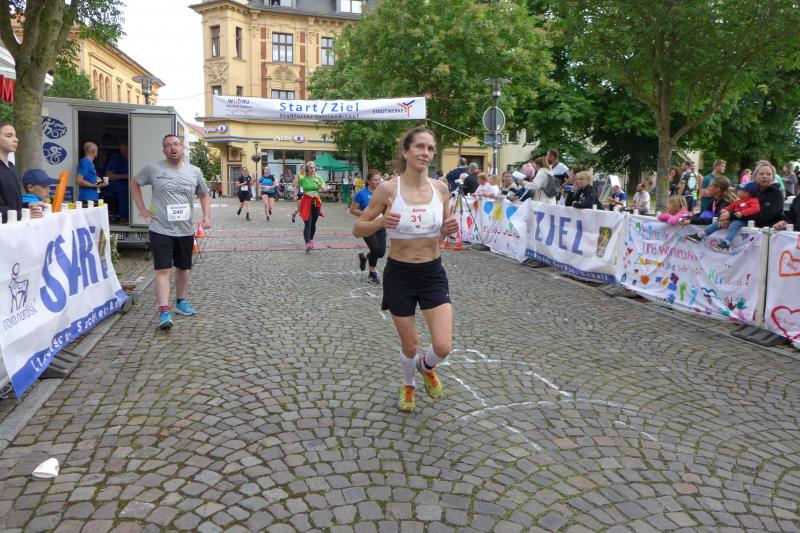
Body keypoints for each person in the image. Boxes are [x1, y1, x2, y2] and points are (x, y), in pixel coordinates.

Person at [353, 127, 458, 413]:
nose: (426, 152)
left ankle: (426, 367)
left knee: (443, 346)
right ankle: (408, 384)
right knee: (410, 345)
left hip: (432, 273)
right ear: (405, 151)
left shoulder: (441, 189)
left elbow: (443, 232)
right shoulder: (389, 189)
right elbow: (358, 228)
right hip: (400, 274)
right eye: (420, 146)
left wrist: (448, 229)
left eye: (431, 148)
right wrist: (381, 222)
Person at [131, 134, 211, 329]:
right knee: (163, 269)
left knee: (184, 268)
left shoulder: (195, 171)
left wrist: (207, 216)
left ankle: (181, 302)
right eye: (168, 145)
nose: (173, 148)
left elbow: (204, 194)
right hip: (160, 228)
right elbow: (135, 183)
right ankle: (164, 310)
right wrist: (142, 209)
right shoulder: (153, 168)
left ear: (182, 148)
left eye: (176, 144)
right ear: (164, 150)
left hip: (184, 229)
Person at [686, 182, 760, 250]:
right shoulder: (739, 201)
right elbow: (731, 206)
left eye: (740, 190)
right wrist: (725, 209)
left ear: (747, 192)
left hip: (742, 220)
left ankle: (726, 242)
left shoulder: (753, 200)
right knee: (718, 224)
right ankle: (700, 235)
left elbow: (755, 209)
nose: (737, 192)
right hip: (733, 218)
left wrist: (742, 213)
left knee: (733, 226)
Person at [350, 169, 385, 284]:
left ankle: (364, 256)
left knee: (381, 253)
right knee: (375, 249)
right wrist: (367, 215)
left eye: (379, 179)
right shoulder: (362, 193)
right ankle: (372, 274)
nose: (378, 182)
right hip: (366, 226)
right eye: (375, 180)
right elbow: (352, 210)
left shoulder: (384, 193)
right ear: (369, 181)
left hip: (380, 224)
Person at [298, 161, 327, 251]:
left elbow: (325, 189)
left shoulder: (319, 178)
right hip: (306, 202)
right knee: (307, 222)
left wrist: (319, 184)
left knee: (313, 223)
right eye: (310, 168)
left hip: (316, 202)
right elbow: (297, 186)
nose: (312, 169)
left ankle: (311, 240)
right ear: (307, 169)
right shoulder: (303, 178)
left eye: (314, 168)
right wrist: (295, 196)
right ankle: (307, 243)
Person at [0, 121, 23, 223]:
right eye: (9, 136)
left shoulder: (12, 168)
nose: (16, 139)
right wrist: (22, 214)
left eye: (15, 136)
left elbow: (15, 204)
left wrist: (29, 207)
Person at [104, 141, 130, 222]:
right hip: (112, 183)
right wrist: (125, 176)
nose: (125, 152)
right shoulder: (116, 159)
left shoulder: (134, 158)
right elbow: (108, 176)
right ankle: (123, 217)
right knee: (124, 190)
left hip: (128, 183)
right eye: (124, 149)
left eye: (127, 150)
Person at [77, 141, 107, 206]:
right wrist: (95, 186)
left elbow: (91, 178)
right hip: (87, 197)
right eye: (97, 150)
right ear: (93, 151)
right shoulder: (85, 162)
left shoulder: (90, 163)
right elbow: (79, 180)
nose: (98, 152)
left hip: (93, 196)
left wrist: (100, 183)